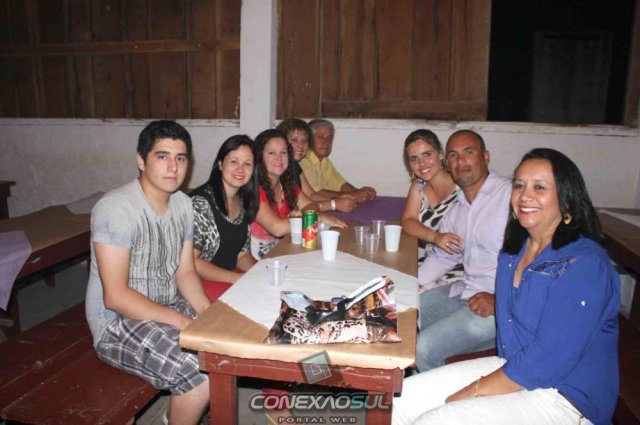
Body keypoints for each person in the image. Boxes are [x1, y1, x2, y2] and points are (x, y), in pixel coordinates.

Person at [393, 148, 619, 425]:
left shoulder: (584, 263)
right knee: (401, 401)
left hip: (566, 397)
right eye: (519, 186)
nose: (525, 196)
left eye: (539, 187)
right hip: (515, 366)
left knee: (437, 420)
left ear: (566, 197)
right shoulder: (513, 253)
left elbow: (548, 360)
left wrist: (471, 393)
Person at [85, 120, 210, 425]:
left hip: (166, 304)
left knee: (222, 346)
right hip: (117, 322)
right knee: (199, 372)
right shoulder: (116, 208)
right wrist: (183, 322)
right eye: (162, 156)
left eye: (181, 158)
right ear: (141, 161)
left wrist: (208, 316)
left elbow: (185, 273)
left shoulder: (183, 204)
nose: (173, 167)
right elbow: (115, 297)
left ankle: (177, 415)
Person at [416, 129, 511, 372]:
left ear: (486, 157)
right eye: (453, 155)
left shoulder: (511, 197)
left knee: (424, 348)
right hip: (468, 291)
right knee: (406, 315)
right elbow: (443, 257)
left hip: (504, 307)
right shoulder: (458, 209)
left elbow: (539, 259)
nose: (461, 161)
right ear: (447, 164)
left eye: (469, 152)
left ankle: (438, 396)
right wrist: (408, 284)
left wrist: (501, 300)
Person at [250, 128, 347, 259]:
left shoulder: (286, 184)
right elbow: (277, 229)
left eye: (283, 152)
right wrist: (315, 218)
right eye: (271, 153)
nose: (279, 158)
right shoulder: (254, 189)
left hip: (284, 250)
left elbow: (311, 205)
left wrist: (302, 216)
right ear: (260, 157)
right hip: (258, 260)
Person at [190, 135, 259, 301]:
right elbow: (191, 261)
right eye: (234, 161)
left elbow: (241, 254)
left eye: (247, 164)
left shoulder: (242, 202)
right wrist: (236, 279)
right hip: (197, 286)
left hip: (228, 281)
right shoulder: (200, 203)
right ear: (220, 164)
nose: (240, 169)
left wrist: (259, 273)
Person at [400, 129, 464, 286]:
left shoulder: (463, 185)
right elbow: (408, 221)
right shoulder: (419, 186)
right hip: (431, 262)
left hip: (461, 268)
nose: (422, 164)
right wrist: (435, 237)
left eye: (427, 155)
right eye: (414, 158)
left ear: (440, 154)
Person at [276, 118, 357, 213]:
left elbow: (311, 195)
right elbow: (301, 206)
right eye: (294, 140)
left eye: (304, 141)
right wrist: (334, 204)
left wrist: (338, 200)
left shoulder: (294, 166)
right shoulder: (277, 169)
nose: (300, 145)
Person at [299, 119, 376, 204]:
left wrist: (360, 192)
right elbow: (315, 193)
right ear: (309, 139)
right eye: (321, 137)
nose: (326, 142)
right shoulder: (303, 161)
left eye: (329, 138)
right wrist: (354, 195)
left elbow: (341, 185)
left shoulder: (325, 161)